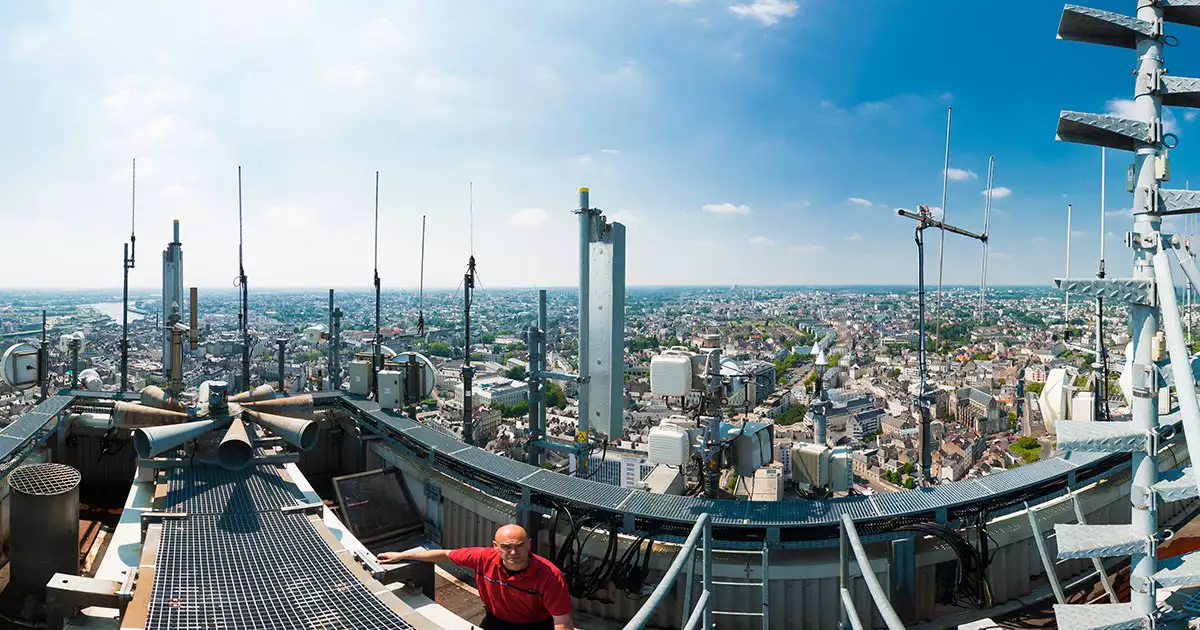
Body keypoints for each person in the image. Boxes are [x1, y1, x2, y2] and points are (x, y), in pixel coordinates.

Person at [378, 524, 574, 630]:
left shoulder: (549, 576)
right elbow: (446, 554)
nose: (513, 552)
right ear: (495, 547)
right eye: (506, 547)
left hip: (534, 626)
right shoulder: (483, 558)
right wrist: (402, 555)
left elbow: (562, 623)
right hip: (496, 621)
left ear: (529, 544)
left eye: (519, 545)